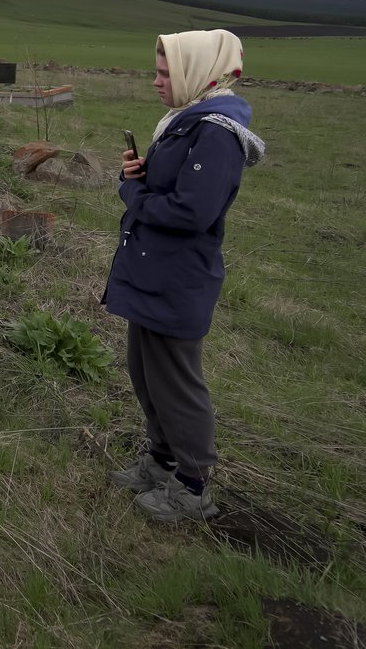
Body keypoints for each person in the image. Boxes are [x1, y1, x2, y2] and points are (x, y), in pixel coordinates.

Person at [104, 29, 265, 522]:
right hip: (153, 271)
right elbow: (174, 188)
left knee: (176, 381)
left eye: (166, 72)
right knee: (146, 373)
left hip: (177, 278)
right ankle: (161, 461)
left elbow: (192, 212)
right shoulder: (183, 122)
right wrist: (142, 175)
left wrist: (133, 195)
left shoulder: (215, 132)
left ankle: (193, 487)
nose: (156, 81)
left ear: (199, 73)